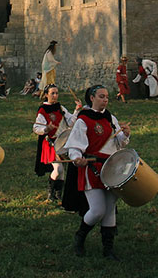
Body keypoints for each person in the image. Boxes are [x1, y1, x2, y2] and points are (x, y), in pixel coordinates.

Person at [62, 84, 130, 260]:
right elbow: (74, 145)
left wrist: (125, 135)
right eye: (101, 96)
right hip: (92, 169)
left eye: (106, 96)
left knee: (110, 209)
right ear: (92, 98)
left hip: (111, 167)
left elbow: (119, 142)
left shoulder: (110, 118)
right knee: (98, 210)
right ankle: (80, 236)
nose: (105, 99)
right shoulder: (83, 119)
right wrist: (77, 157)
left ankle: (108, 250)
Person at [33, 84, 81, 202]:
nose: (55, 95)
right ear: (46, 95)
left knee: (62, 170)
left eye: (56, 93)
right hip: (51, 143)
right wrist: (46, 129)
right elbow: (36, 127)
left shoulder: (60, 108)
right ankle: (50, 193)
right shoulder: (43, 110)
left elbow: (71, 122)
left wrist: (77, 110)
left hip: (63, 142)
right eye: (52, 93)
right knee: (58, 168)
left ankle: (58, 194)